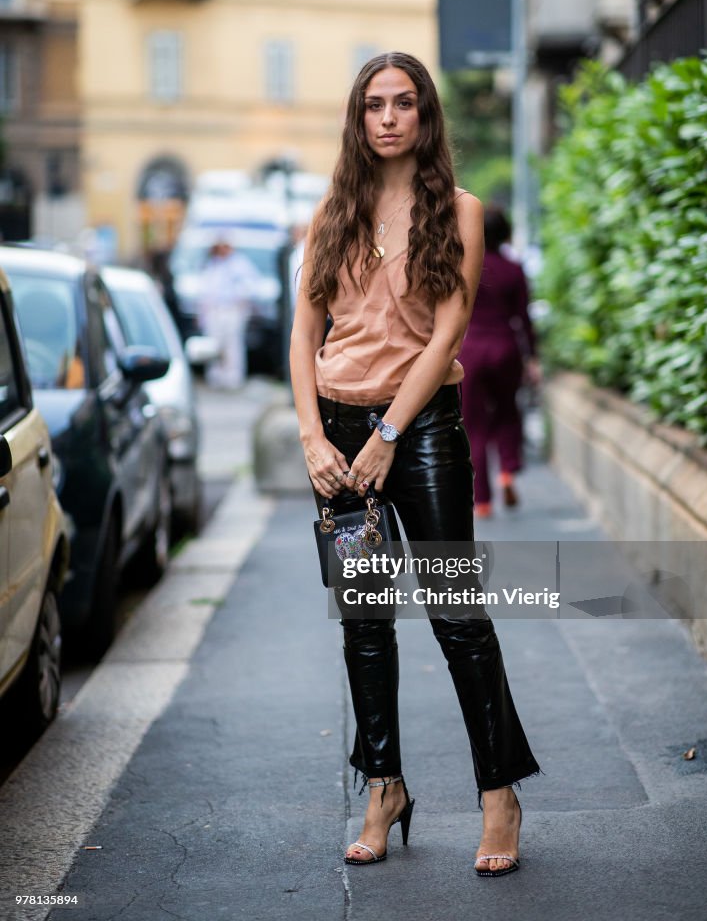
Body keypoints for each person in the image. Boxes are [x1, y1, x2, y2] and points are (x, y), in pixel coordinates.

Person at [290, 52, 540, 876]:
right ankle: (383, 785)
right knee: (364, 627)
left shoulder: (459, 212)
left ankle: (498, 792)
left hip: (420, 430)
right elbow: (304, 333)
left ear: (426, 116)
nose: (389, 117)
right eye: (374, 105)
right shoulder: (332, 211)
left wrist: (387, 436)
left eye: (404, 103)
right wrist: (314, 439)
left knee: (457, 618)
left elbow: (446, 337)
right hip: (335, 433)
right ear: (358, 119)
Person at [459, 204, 541, 517]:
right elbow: (525, 318)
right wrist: (532, 358)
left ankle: (482, 500)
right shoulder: (514, 268)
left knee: (473, 425)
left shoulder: (467, 267)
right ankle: (507, 469)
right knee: (508, 410)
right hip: (506, 348)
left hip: (471, 350)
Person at [198, 236, 258, 389]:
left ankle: (233, 377)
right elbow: (206, 290)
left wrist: (240, 302)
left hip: (231, 310)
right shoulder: (212, 264)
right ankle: (216, 376)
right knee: (215, 344)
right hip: (214, 311)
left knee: (232, 345)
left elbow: (249, 286)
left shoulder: (239, 264)